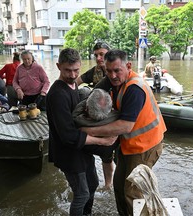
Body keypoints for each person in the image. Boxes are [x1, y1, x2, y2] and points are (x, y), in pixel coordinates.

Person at [82, 49, 167, 216]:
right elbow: (97, 91)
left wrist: (88, 131)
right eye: (109, 71)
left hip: (146, 146)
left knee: (134, 192)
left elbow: (125, 126)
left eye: (117, 71)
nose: (112, 76)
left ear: (128, 66)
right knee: (119, 186)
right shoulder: (114, 79)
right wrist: (88, 104)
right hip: (130, 145)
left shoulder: (134, 89)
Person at [46, 48, 117, 216]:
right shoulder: (57, 94)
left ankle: (87, 213)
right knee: (82, 194)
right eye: (67, 70)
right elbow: (68, 136)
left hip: (82, 149)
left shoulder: (74, 86)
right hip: (68, 152)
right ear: (58, 66)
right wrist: (102, 141)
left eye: (76, 70)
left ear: (81, 66)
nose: (72, 75)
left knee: (93, 184)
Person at [76, 41, 115, 188]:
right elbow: (76, 82)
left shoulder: (117, 71)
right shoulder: (94, 72)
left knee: (111, 155)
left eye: (102, 55)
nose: (99, 58)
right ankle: (105, 185)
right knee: (104, 153)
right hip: (97, 118)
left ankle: (109, 184)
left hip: (113, 118)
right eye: (96, 55)